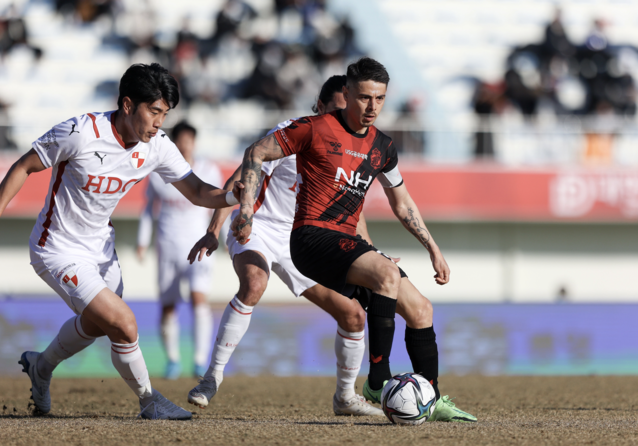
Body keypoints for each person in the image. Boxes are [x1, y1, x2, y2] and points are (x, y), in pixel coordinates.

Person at [0, 63, 240, 420]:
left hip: (101, 250)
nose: (159, 123)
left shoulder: (156, 146)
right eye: (154, 111)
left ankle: (41, 367)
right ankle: (150, 401)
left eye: (165, 114)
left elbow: (198, 191)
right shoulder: (80, 132)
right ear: (126, 105)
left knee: (99, 326)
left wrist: (232, 198)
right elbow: (24, 166)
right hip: (57, 248)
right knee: (123, 323)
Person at [232, 58, 477, 422]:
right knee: (386, 274)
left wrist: (433, 249)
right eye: (364, 98)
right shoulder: (314, 128)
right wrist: (247, 209)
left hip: (347, 242)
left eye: (379, 99)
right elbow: (257, 151)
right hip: (310, 238)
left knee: (421, 309)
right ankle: (377, 381)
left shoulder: (383, 146)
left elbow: (402, 202)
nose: (372, 107)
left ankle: (430, 397)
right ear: (346, 94)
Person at [187, 75, 383, 416]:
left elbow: (353, 210)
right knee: (254, 283)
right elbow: (244, 173)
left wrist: (371, 252)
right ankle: (211, 377)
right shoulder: (294, 131)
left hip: (303, 241)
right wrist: (214, 228)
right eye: (336, 109)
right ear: (319, 107)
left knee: (352, 314)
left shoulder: (349, 148)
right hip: (258, 226)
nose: (342, 117)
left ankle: (345, 398)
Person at [136, 121, 221, 379]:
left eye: (189, 139)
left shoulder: (208, 170)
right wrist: (142, 241)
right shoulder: (159, 172)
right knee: (168, 306)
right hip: (168, 245)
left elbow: (220, 206)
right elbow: (149, 210)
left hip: (199, 244)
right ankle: (172, 360)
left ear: (194, 142)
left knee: (199, 298)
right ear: (174, 142)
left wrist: (224, 238)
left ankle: (199, 360)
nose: (185, 144)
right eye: (181, 139)